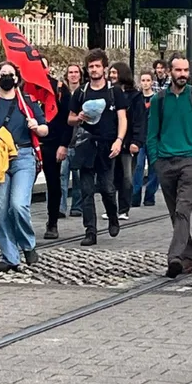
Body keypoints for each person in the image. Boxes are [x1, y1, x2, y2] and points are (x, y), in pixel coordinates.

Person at [147, 55, 192, 278]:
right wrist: (155, 161)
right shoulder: (159, 100)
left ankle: (174, 257)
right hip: (165, 162)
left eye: (186, 70)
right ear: (169, 71)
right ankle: (189, 258)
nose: (183, 74)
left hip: (188, 162)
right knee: (176, 214)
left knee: (183, 210)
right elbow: (152, 134)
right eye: (178, 70)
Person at [0, 62, 48, 270]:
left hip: (24, 156)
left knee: (18, 205)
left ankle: (28, 245)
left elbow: (45, 129)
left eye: (10, 74)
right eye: (3, 74)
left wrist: (36, 127)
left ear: (17, 78)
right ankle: (10, 256)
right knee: (0, 210)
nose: (7, 77)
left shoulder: (27, 103)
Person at [67, 49, 127, 245]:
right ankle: (90, 231)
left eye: (97, 66)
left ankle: (113, 216)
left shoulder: (114, 91)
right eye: (91, 66)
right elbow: (70, 119)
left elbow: (122, 118)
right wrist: (78, 118)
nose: (94, 70)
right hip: (86, 143)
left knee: (107, 188)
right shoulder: (81, 92)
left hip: (107, 144)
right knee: (86, 190)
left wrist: (119, 140)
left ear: (104, 68)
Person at [40, 57, 71, 238]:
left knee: (53, 183)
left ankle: (52, 222)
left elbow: (68, 120)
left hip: (53, 144)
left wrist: (63, 145)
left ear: (48, 68)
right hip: (32, 145)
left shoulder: (59, 88)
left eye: (43, 66)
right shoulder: (24, 89)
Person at [109, 62, 144, 222]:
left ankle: (124, 208)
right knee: (112, 177)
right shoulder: (109, 93)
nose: (112, 76)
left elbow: (139, 120)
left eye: (115, 72)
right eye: (111, 72)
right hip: (111, 141)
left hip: (129, 142)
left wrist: (136, 141)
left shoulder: (136, 96)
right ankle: (112, 208)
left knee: (127, 177)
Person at [60, 64, 85, 217]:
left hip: (79, 140)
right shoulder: (61, 93)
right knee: (61, 175)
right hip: (64, 140)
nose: (73, 75)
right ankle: (60, 208)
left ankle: (77, 206)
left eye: (76, 72)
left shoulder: (84, 92)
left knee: (78, 176)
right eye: (71, 72)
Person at [132, 71, 160, 208]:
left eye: (148, 80)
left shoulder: (157, 99)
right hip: (140, 138)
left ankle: (150, 196)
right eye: (143, 80)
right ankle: (135, 196)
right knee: (138, 166)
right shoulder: (137, 98)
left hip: (153, 138)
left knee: (154, 168)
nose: (145, 83)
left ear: (152, 82)